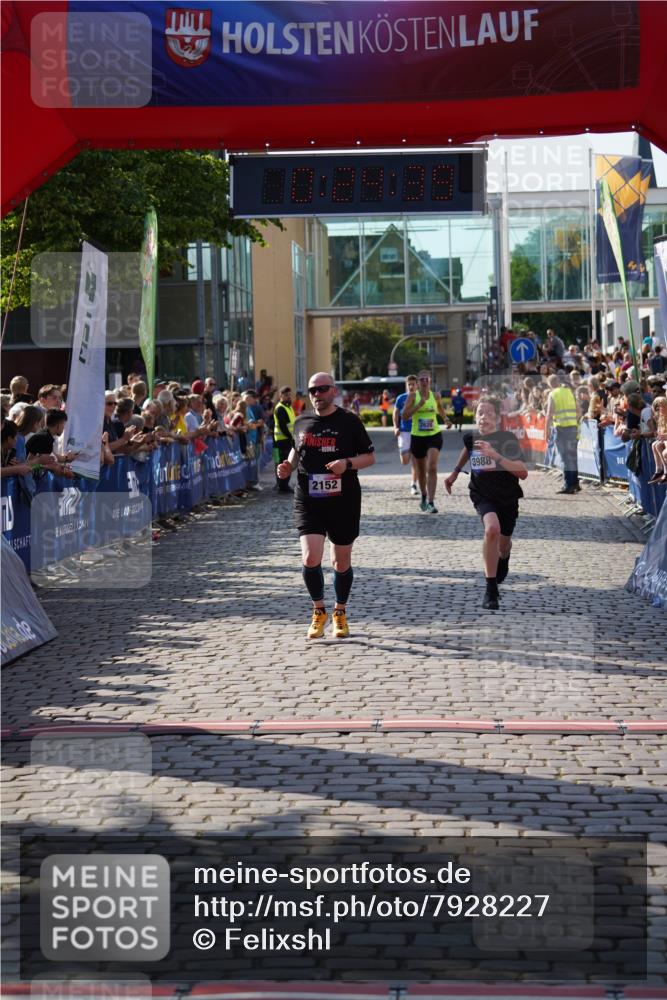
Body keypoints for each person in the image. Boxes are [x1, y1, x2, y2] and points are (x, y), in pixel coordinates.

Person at [277, 372, 375, 639]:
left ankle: (339, 612)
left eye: (322, 389)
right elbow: (297, 450)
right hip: (308, 498)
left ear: (334, 391)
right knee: (310, 557)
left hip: (343, 500)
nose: (317, 394)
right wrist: (288, 466)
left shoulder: (349, 421)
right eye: (312, 390)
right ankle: (318, 610)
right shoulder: (301, 422)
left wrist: (347, 464)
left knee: (339, 562)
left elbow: (369, 457)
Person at [444, 396, 527, 610]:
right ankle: (490, 590)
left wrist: (494, 455)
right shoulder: (471, 438)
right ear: (475, 417)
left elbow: (523, 472)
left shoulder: (508, 439)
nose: (484, 417)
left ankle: (504, 555)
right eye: (480, 413)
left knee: (503, 543)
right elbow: (467, 450)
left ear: (498, 418)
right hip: (482, 494)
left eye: (489, 413)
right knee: (492, 529)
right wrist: (455, 473)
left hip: (508, 497)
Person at [402, 370, 450, 513]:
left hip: (434, 435)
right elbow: (404, 416)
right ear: (418, 383)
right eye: (421, 379)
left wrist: (446, 419)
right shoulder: (412, 396)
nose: (424, 382)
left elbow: (440, 408)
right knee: (422, 471)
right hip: (417, 437)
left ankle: (431, 502)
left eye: (426, 379)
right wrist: (418, 405)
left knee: (432, 467)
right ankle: (423, 496)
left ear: (430, 381)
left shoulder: (435, 396)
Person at [544, 373, 581, 494]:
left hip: (561, 429)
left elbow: (549, 414)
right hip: (573, 427)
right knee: (572, 456)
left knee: (565, 457)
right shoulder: (569, 392)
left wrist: (546, 431)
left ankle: (568, 485)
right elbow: (579, 411)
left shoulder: (553, 394)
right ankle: (575, 483)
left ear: (550, 384)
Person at [392, 374, 419, 496]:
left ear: (417, 385)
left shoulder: (420, 398)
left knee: (416, 459)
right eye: (409, 384)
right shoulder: (401, 398)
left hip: (417, 432)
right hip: (404, 432)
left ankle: (414, 484)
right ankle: (405, 451)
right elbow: (395, 413)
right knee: (405, 461)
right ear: (406, 385)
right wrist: (396, 427)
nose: (411, 386)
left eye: (413, 384)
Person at [273, 385, 296, 494]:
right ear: (281, 396)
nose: (288, 397)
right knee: (284, 463)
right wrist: (291, 437)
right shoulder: (280, 408)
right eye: (286, 395)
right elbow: (283, 427)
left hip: (287, 440)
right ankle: (282, 486)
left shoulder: (288, 407)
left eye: (289, 395)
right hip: (282, 441)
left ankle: (283, 484)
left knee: (286, 462)